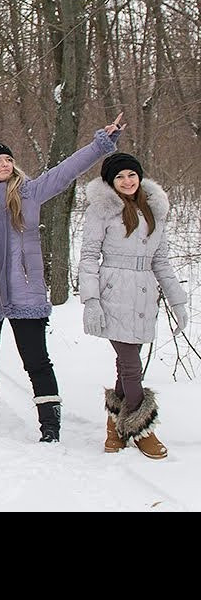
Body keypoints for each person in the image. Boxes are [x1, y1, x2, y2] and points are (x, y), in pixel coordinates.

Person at [0, 121, 122, 442]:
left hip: (25, 290)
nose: (5, 164)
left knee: (35, 358)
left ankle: (50, 421)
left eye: (8, 159)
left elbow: (67, 170)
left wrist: (101, 144)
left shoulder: (31, 192)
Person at [79, 152, 188, 460]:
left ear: (139, 177)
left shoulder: (155, 209)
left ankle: (115, 426)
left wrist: (177, 298)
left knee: (126, 364)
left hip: (143, 295)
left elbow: (161, 261)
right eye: (119, 177)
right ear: (110, 182)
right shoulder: (102, 211)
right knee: (131, 365)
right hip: (113, 292)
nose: (127, 181)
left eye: (131, 175)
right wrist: (91, 301)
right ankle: (142, 428)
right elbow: (88, 257)